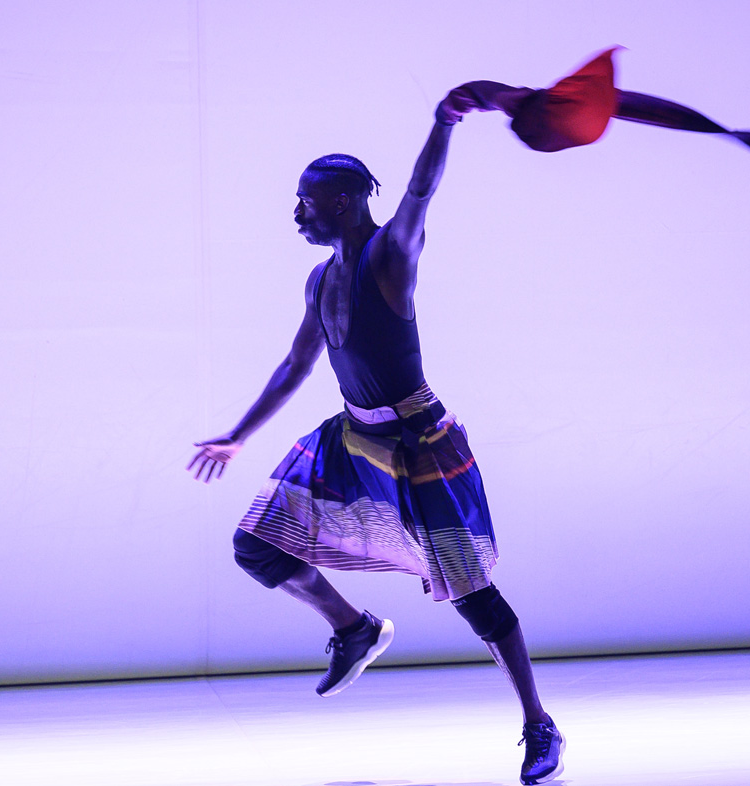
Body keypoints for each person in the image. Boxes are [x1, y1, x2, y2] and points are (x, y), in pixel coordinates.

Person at [187, 84, 565, 784]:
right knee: (255, 545)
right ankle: (352, 629)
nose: (295, 212)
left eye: (305, 200)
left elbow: (420, 192)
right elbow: (297, 363)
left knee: (472, 595)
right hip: (352, 441)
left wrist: (444, 123)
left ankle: (538, 726)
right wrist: (237, 437)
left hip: (419, 445)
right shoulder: (316, 279)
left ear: (340, 202)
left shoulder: (389, 258)